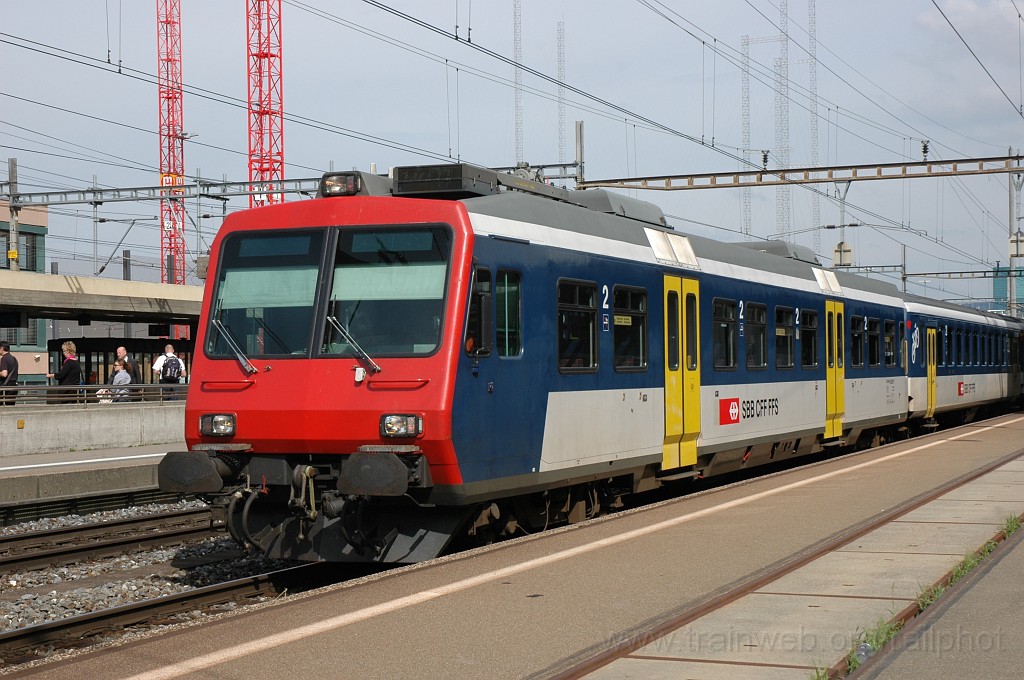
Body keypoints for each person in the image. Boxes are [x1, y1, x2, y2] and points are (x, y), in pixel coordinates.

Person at [0, 341, 19, 406]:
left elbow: (4, 374)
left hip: (6, 387)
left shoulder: (4, 358)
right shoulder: (14, 359)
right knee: (11, 407)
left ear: (2, 348)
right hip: (14, 386)